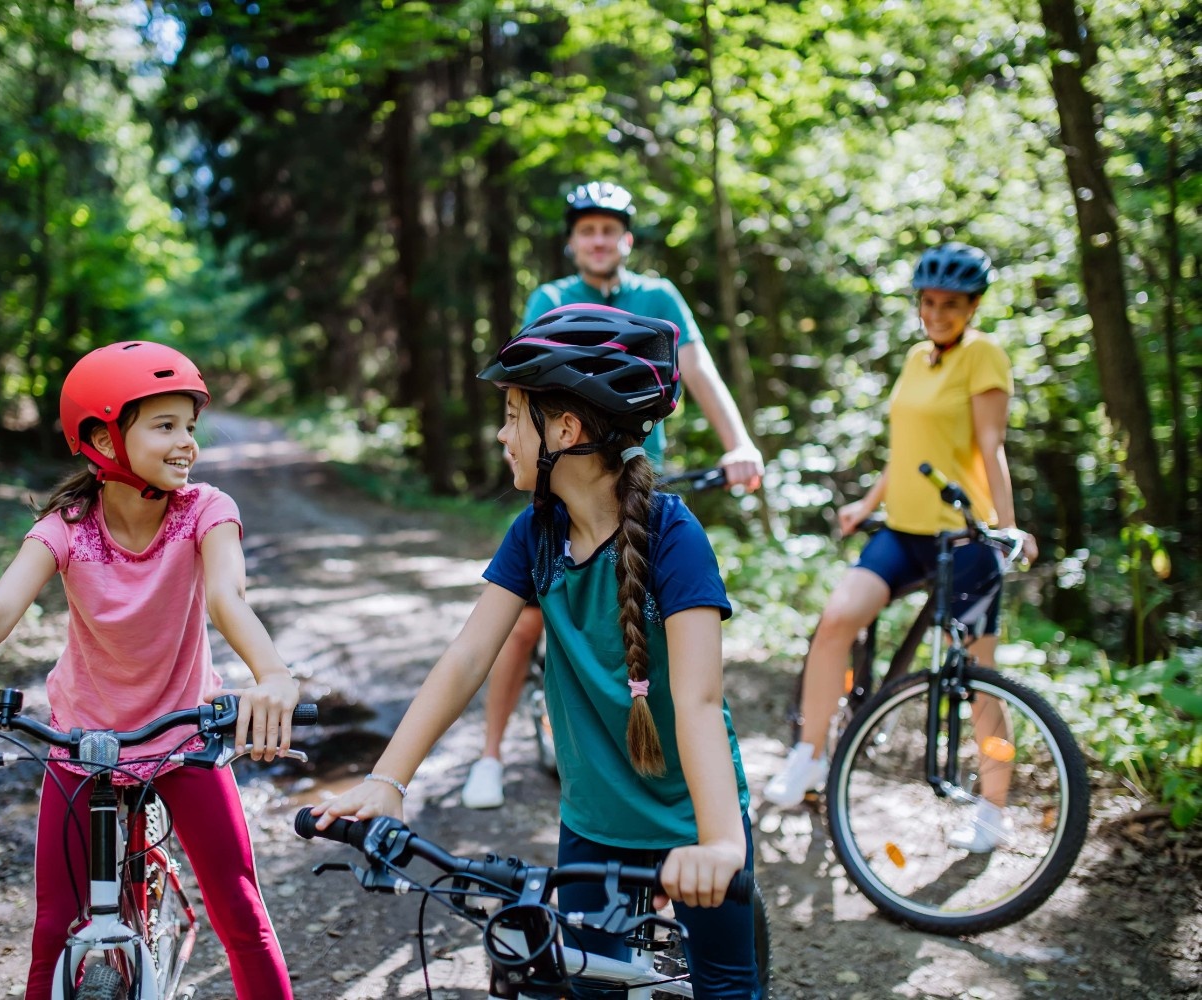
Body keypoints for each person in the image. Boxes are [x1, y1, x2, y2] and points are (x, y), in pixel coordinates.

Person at [315, 305, 760, 998]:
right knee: (584, 986)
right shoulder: (535, 535)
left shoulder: (675, 536)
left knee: (727, 989)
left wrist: (720, 843)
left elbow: (700, 702)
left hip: (693, 815)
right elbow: (466, 659)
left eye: (513, 414)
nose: (501, 433)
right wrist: (387, 781)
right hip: (594, 824)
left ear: (566, 430)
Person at [0, 341, 298, 1000]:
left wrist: (271, 676)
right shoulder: (67, 525)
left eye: (190, 425)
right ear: (103, 436)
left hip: (184, 736)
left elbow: (227, 598)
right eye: (165, 426)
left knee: (241, 916)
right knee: (52, 930)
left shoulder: (205, 511)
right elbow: (1, 606)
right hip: (81, 744)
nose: (187, 442)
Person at [462, 179, 764, 809]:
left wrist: (738, 442)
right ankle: (490, 755)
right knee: (522, 622)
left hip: (633, 483)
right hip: (568, 480)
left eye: (609, 230)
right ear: (573, 243)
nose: (598, 241)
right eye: (586, 231)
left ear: (625, 240)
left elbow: (699, 370)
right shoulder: (551, 296)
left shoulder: (658, 295)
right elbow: (533, 385)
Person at [761, 243, 1038, 853]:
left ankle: (993, 810)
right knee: (837, 620)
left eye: (952, 305)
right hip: (903, 532)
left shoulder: (984, 356)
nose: (937, 314)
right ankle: (809, 755)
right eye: (929, 303)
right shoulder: (916, 359)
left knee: (980, 676)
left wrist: (1007, 526)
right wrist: (867, 502)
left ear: (972, 307)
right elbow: (908, 450)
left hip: (964, 537)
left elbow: (991, 448)